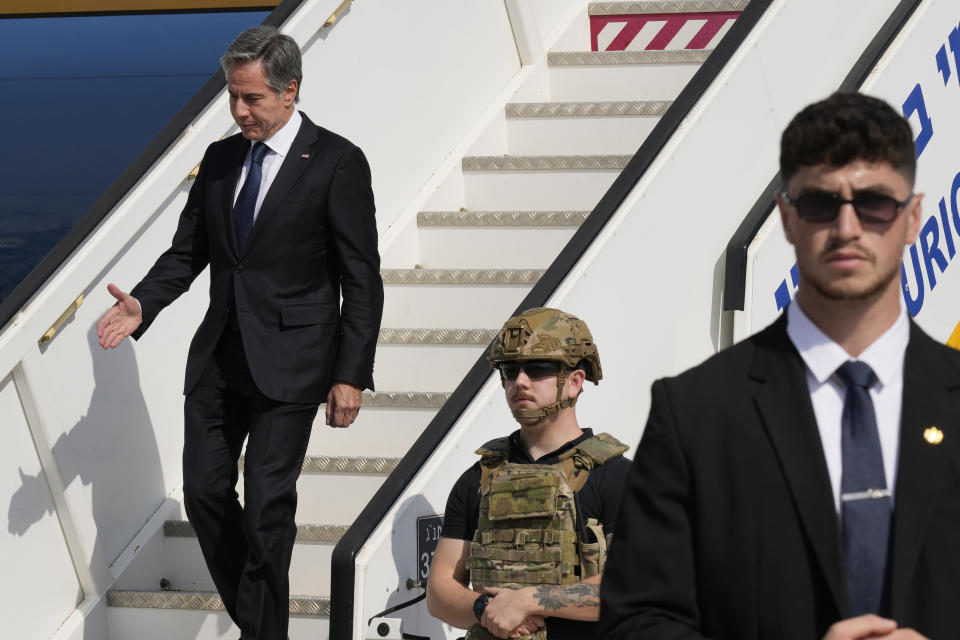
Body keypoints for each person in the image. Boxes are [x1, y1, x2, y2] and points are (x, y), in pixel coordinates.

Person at [597, 91, 960, 640]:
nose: (846, 228)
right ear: (787, 219)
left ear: (912, 219)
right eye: (819, 204)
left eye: (873, 204)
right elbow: (637, 623)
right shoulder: (697, 415)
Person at [96, 25, 383, 640]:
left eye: (251, 98)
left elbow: (362, 278)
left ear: (289, 91)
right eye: (232, 95)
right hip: (220, 359)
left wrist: (350, 373)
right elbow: (188, 251)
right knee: (202, 493)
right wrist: (143, 305)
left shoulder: (336, 161)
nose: (238, 111)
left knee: (266, 507)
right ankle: (261, 625)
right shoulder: (224, 159)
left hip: (296, 364)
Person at [427, 307, 631, 640]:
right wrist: (485, 609)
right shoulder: (479, 478)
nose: (519, 381)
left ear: (575, 382)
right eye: (509, 370)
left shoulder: (616, 477)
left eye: (538, 369)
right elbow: (439, 592)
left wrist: (529, 601)